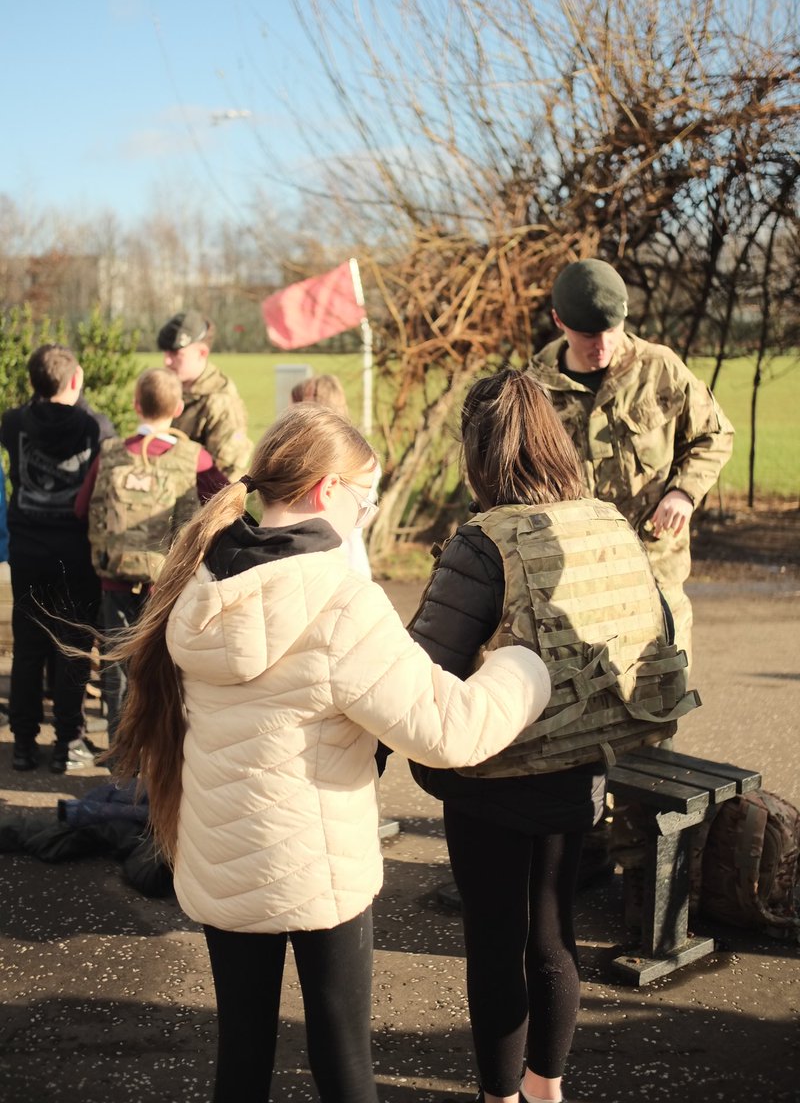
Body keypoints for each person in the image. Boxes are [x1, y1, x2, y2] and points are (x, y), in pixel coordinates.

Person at [107, 402, 552, 1103]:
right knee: (343, 1061)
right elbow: (449, 730)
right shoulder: (343, 602)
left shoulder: (198, 579)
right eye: (365, 502)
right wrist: (526, 666)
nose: (363, 519)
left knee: (242, 1055)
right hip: (318, 869)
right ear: (327, 493)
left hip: (223, 859)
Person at [408, 368, 694, 1103]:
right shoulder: (603, 521)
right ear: (553, 440)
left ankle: (500, 1096)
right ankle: (546, 1088)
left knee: (494, 942)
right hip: (583, 765)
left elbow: (419, 667)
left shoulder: (483, 543)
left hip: (493, 777)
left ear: (480, 453)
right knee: (552, 932)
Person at [528, 258, 734, 663]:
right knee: (589, 712)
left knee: (659, 695)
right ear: (558, 320)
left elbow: (715, 434)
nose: (601, 345)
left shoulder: (659, 369)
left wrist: (683, 492)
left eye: (610, 329)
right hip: (572, 583)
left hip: (654, 574)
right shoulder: (535, 390)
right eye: (587, 333)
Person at [74, 368, 228, 749]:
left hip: (115, 581)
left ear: (135, 405)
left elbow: (82, 508)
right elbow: (226, 502)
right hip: (167, 585)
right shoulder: (193, 457)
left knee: (118, 672)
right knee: (166, 673)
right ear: (178, 408)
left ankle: (119, 761)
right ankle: (161, 758)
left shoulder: (111, 454)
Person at [1, 344, 108, 773]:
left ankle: (23, 743)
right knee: (73, 646)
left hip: (27, 549)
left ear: (33, 383)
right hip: (75, 552)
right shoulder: (96, 426)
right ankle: (68, 742)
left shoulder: (11, 424)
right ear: (76, 380)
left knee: (27, 647)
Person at [298, 373, 379, 579]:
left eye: (300, 403)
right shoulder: (361, 451)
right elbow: (368, 513)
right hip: (348, 558)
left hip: (337, 560)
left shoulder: (336, 456)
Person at [157, 310, 253, 479]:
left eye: (176, 354)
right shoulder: (172, 388)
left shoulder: (222, 403)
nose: (167, 361)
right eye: (165, 353)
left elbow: (227, 479)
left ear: (202, 353)